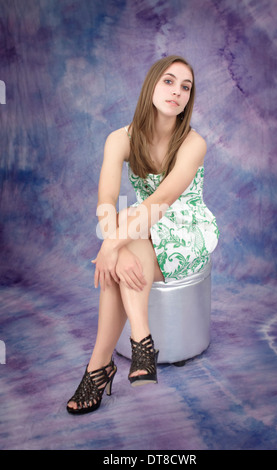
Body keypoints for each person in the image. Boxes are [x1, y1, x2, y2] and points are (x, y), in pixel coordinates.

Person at [66, 55, 219, 414]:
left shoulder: (194, 142)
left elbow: (164, 199)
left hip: (186, 225)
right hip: (141, 224)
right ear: (151, 85)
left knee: (121, 253)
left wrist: (111, 246)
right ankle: (139, 348)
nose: (177, 92)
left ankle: (100, 367)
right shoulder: (119, 139)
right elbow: (106, 200)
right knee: (124, 246)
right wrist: (112, 239)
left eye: (186, 87)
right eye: (169, 81)